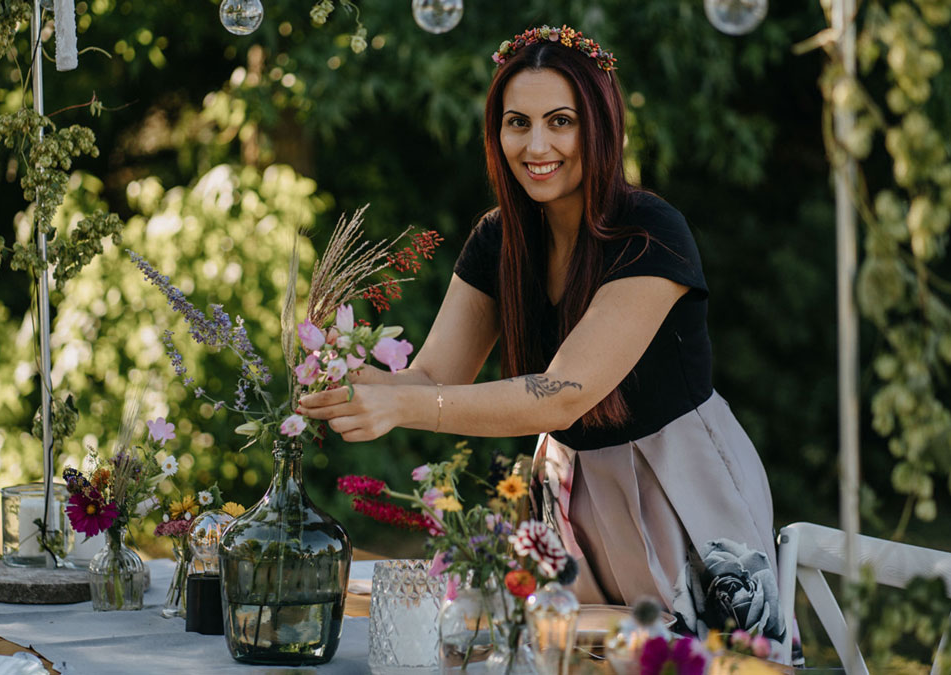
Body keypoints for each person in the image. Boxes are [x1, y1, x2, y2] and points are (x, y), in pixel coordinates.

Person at [299, 24, 785, 649]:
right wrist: (361, 384)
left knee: (701, 663)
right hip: (570, 493)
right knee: (572, 659)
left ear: (599, 126)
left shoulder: (650, 234)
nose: (536, 144)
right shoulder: (498, 240)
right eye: (516, 122)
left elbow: (562, 395)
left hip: (676, 485)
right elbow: (432, 378)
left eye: (561, 121)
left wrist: (406, 404)